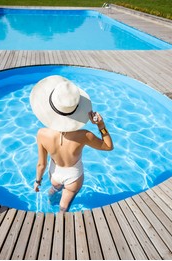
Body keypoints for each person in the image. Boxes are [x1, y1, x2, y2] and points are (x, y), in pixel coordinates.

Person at [30, 75, 114, 212]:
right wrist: (101, 125)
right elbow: (108, 146)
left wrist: (37, 181)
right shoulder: (84, 135)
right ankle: (61, 223)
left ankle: (51, 197)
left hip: (55, 175)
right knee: (64, 208)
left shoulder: (42, 134)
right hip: (74, 178)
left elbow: (41, 164)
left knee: (54, 189)